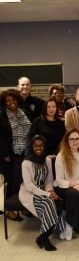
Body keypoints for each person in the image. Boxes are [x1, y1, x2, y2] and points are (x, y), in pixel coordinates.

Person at [19, 135, 65, 251]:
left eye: (41, 145)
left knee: (58, 203)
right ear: (32, 146)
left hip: (44, 190)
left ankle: (41, 237)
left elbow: (49, 180)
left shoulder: (47, 160)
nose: (38, 148)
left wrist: (50, 191)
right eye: (35, 146)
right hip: (29, 193)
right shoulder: (26, 163)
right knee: (49, 204)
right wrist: (48, 195)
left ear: (44, 147)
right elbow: (29, 186)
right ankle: (45, 239)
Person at [54, 129, 79, 239]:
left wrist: (78, 185)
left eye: (77, 139)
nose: (75, 141)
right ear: (67, 140)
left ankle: (71, 224)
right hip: (63, 186)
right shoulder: (61, 156)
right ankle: (70, 227)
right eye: (72, 139)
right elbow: (59, 179)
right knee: (72, 194)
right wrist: (73, 185)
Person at [0, 89, 31, 220]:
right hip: (10, 155)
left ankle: (23, 206)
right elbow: (0, 137)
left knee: (25, 180)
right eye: (8, 101)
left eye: (13, 100)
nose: (11, 102)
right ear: (4, 103)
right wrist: (5, 153)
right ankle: (9, 209)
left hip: (26, 152)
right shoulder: (1, 115)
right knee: (12, 181)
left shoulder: (23, 112)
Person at [29, 98, 65, 163]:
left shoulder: (61, 123)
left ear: (57, 108)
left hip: (57, 157)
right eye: (48, 107)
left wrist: (55, 154)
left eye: (54, 106)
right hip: (40, 157)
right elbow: (31, 139)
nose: (51, 109)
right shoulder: (38, 121)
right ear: (45, 108)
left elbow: (62, 142)